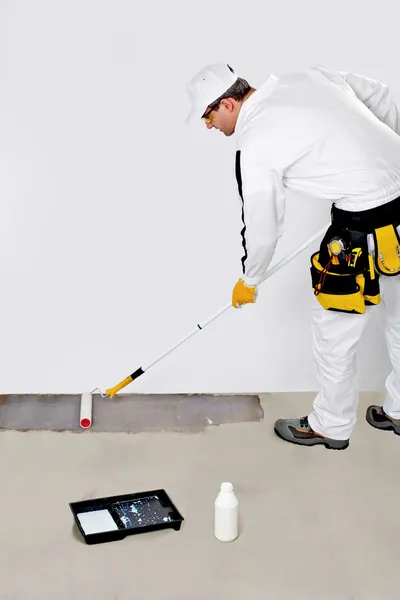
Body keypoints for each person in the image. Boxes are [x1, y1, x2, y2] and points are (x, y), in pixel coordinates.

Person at [185, 62, 400, 450]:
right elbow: (381, 96)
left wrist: (250, 279)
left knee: (334, 334)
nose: (208, 125)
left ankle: (330, 426)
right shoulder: (307, 75)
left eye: (208, 115)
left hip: (359, 231)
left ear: (228, 104)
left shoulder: (254, 143)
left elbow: (263, 223)